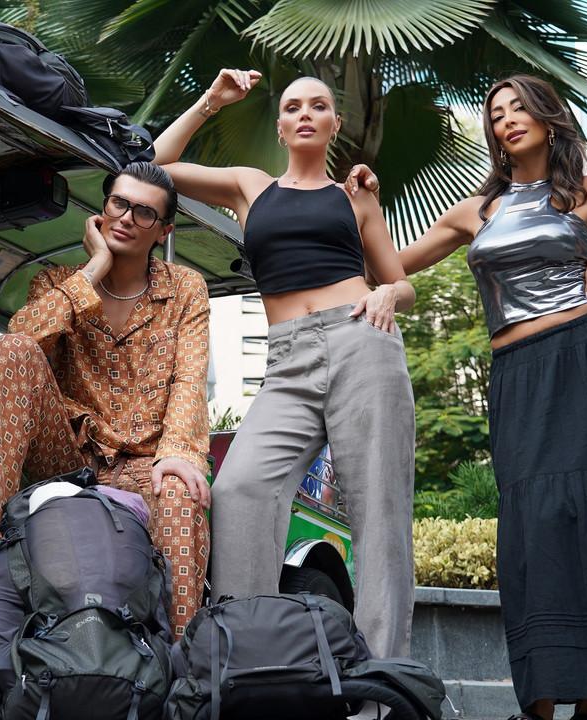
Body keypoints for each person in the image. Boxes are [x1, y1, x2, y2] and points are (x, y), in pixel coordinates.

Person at [356, 74, 587, 720]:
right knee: (537, 527)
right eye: (497, 114)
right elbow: (388, 269)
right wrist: (367, 210)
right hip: (520, 376)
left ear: (549, 119)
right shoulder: (475, 212)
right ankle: (540, 705)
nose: (507, 119)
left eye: (519, 108)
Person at [152, 69, 417, 658]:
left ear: (334, 124)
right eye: (293, 106)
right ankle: (250, 663)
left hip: (362, 342)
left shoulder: (355, 197)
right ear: (279, 126)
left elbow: (403, 285)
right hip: (287, 359)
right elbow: (154, 168)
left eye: (318, 106)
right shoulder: (250, 187)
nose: (305, 114)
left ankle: (382, 682)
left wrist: (385, 294)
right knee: (240, 490)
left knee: (380, 514)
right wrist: (211, 101)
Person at [0, 161, 211, 636]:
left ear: (164, 231)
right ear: (102, 209)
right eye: (119, 204)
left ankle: (180, 655)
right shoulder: (56, 282)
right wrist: (94, 270)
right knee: (12, 348)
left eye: (144, 212)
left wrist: (178, 453)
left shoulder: (185, 289)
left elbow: (189, 379)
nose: (127, 218)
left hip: (144, 462)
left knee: (180, 493)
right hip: (68, 456)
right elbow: (20, 339)